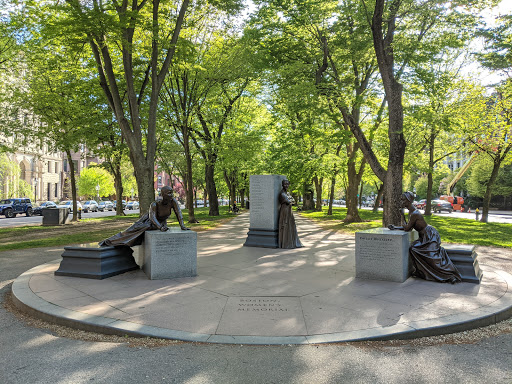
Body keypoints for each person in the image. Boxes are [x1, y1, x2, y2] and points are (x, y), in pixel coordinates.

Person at [388, 192, 461, 283]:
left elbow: (407, 228)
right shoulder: (411, 212)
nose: (401, 201)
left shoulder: (415, 213)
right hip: (424, 237)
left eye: (403, 199)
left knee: (432, 257)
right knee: (413, 249)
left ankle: (450, 276)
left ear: (409, 200)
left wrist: (402, 216)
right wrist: (395, 227)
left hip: (430, 236)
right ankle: (420, 272)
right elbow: (409, 227)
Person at [99, 186, 190, 247]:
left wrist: (182, 225)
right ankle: (110, 241)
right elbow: (152, 217)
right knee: (130, 231)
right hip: (147, 221)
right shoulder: (154, 204)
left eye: (172, 193)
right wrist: (160, 227)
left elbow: (179, 213)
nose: (172, 195)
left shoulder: (173, 201)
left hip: (160, 223)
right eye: (169, 193)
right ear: (163, 194)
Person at [278, 179, 303, 249]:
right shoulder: (282, 194)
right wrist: (290, 200)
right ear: (282, 185)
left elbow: (293, 201)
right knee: (285, 225)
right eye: (285, 184)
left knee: (290, 225)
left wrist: (291, 200)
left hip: (289, 210)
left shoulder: (287, 193)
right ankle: (285, 243)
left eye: (287, 184)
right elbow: (289, 201)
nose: (286, 185)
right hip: (285, 211)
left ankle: (290, 241)